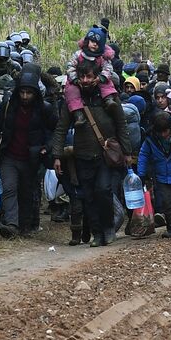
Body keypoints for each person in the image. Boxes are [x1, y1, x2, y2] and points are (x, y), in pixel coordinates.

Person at [51, 59, 130, 247]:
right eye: (82, 76)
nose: (85, 80)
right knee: (88, 196)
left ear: (97, 77)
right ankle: (97, 234)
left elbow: (121, 124)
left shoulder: (109, 96)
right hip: (82, 154)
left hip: (104, 155)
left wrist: (127, 152)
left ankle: (108, 228)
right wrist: (57, 156)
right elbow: (61, 128)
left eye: (89, 76)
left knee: (103, 190)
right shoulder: (73, 99)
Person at [0, 68, 57, 239]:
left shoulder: (45, 109)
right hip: (9, 155)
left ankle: (25, 226)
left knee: (26, 192)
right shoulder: (8, 106)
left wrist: (46, 148)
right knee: (9, 188)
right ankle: (11, 224)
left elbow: (56, 131)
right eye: (22, 92)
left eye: (29, 93)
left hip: (31, 158)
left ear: (35, 93)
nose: (25, 96)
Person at [63, 27, 117, 119]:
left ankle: (108, 99)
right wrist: (75, 78)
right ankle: (78, 113)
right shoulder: (79, 54)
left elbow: (108, 68)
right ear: (87, 41)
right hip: (78, 79)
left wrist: (101, 77)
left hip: (96, 79)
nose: (94, 44)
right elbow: (70, 66)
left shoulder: (102, 57)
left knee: (107, 84)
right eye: (92, 41)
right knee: (71, 90)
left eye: (98, 43)